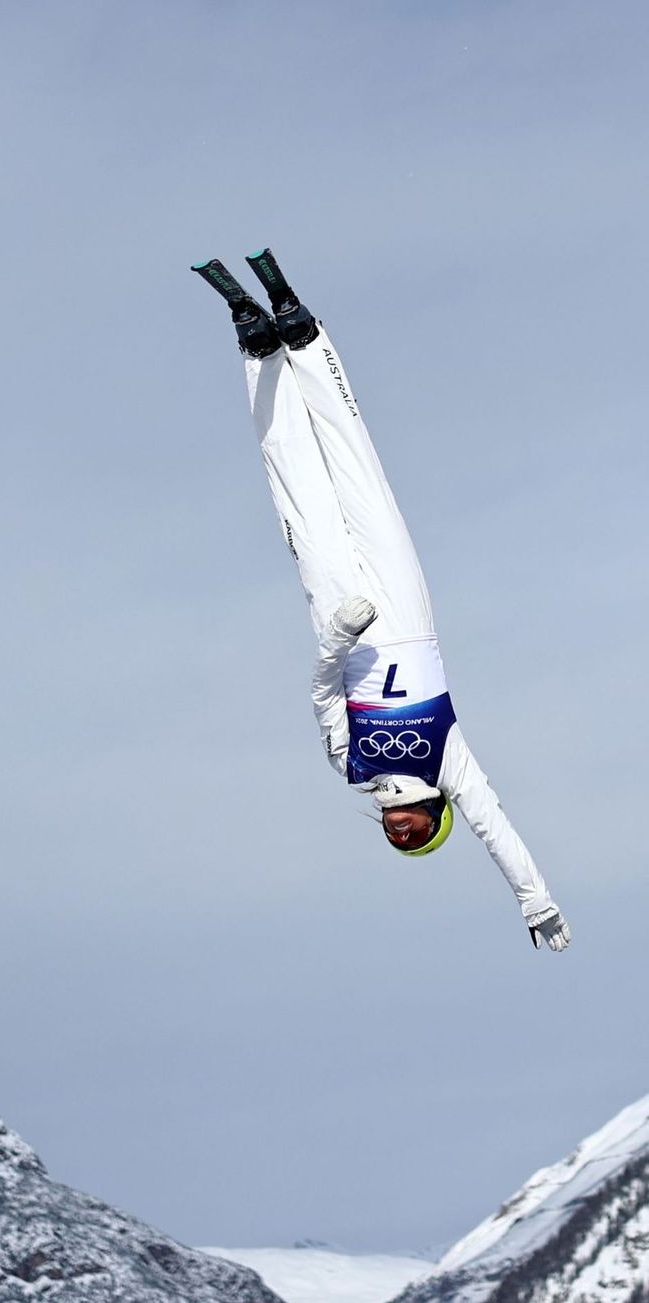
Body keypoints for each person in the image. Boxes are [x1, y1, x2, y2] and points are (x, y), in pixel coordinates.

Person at [194, 249, 570, 951]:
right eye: (415, 836)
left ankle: (256, 347)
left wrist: (336, 636)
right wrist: (534, 900)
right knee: (358, 473)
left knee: (298, 491)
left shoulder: (354, 767)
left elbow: (319, 695)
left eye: (395, 838)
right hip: (402, 616)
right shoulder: (447, 763)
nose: (400, 832)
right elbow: (499, 828)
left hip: (342, 617)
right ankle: (303, 336)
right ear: (435, 818)